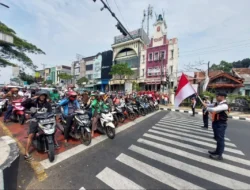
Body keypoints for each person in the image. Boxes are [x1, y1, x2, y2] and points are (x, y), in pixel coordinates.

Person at [22, 90, 52, 160]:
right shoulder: (33, 103)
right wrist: (32, 98)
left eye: (44, 96)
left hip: (45, 121)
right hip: (35, 120)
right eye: (41, 95)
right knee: (31, 135)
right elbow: (23, 104)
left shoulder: (47, 104)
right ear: (38, 96)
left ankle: (52, 144)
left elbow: (50, 112)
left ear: (45, 97)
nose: (42, 97)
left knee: (52, 130)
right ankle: (26, 153)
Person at [202, 92, 229, 160]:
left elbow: (214, 109)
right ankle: (217, 151)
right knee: (217, 138)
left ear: (222, 97)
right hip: (216, 123)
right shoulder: (217, 103)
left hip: (221, 124)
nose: (216, 97)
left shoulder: (224, 105)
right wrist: (206, 105)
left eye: (218, 96)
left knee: (220, 139)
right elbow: (211, 105)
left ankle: (219, 155)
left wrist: (207, 108)